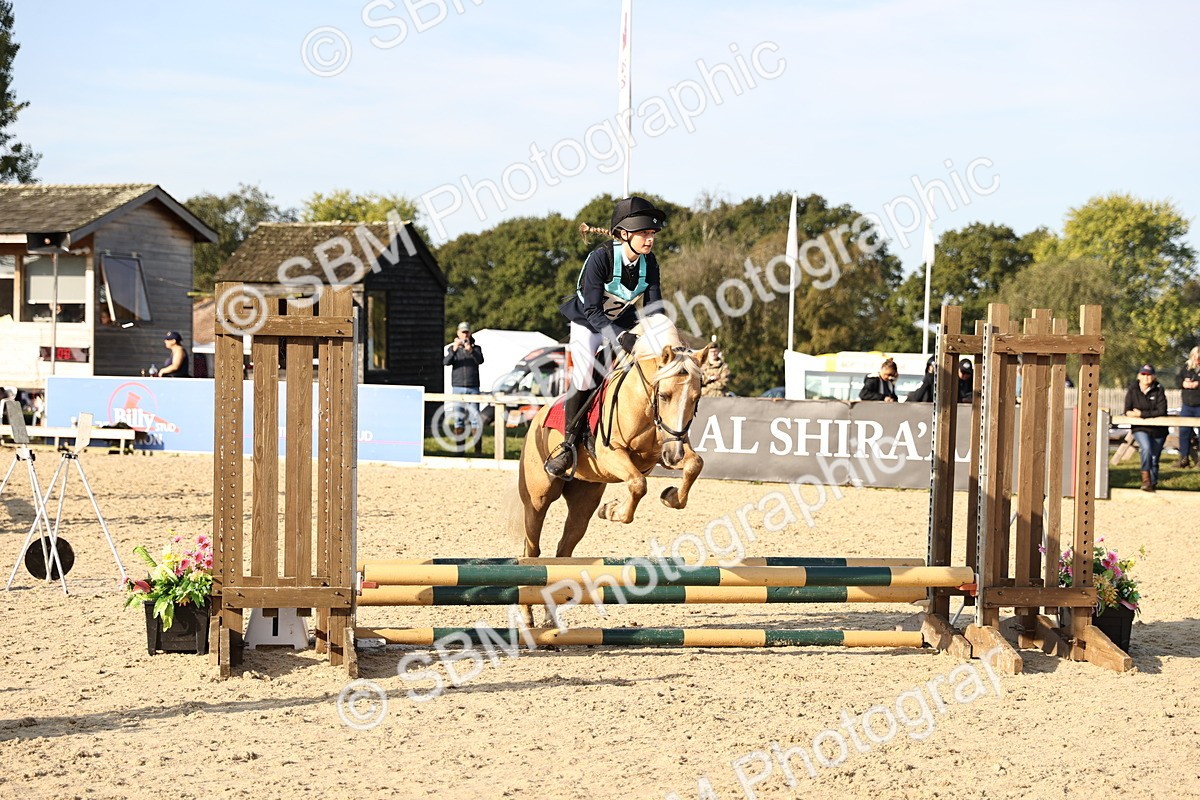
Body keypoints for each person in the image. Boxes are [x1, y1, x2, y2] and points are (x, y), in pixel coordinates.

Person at [544, 195, 667, 479]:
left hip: (623, 319)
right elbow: (592, 310)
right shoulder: (600, 258)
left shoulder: (650, 263)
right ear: (624, 235)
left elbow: (654, 309)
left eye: (652, 233)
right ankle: (567, 444)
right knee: (585, 373)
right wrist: (620, 336)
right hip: (588, 323)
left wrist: (662, 338)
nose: (650, 239)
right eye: (644, 233)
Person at [1125, 363, 1168, 492]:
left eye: (1149, 374)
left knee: (1154, 458)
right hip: (1140, 428)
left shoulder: (1159, 389)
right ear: (1139, 376)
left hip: (1159, 429)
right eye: (1143, 374)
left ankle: (1152, 484)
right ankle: (1146, 480)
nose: (1146, 377)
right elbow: (1127, 410)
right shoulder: (1132, 389)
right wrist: (1134, 414)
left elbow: (1161, 411)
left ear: (1154, 377)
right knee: (1146, 448)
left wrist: (1141, 414)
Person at [443, 321, 484, 430]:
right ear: (458, 333)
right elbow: (446, 362)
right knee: (458, 417)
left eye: (466, 332)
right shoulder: (452, 349)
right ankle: (460, 441)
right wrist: (454, 350)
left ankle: (477, 441)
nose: (465, 335)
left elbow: (480, 360)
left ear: (470, 333)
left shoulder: (476, 348)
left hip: (473, 386)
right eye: (462, 332)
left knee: (475, 417)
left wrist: (471, 350)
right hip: (458, 386)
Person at [1177, 346, 1200, 468]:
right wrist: (1183, 383)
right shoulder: (1186, 368)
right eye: (1195, 356)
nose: (1197, 359)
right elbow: (1177, 380)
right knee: (1184, 432)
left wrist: (1198, 384)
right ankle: (1184, 458)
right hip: (1187, 406)